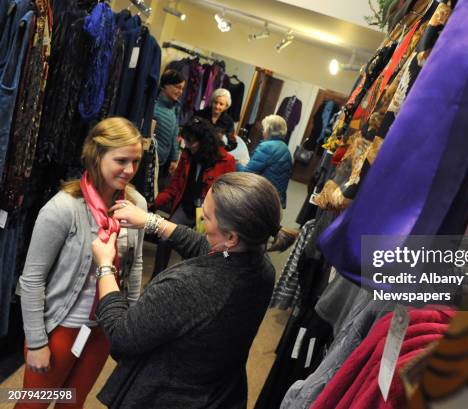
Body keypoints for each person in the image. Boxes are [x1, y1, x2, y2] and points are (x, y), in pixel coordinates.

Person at [91, 172, 280, 409]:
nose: (201, 219)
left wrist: (105, 267)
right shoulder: (260, 266)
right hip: (218, 393)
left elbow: (122, 335)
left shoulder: (186, 287)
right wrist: (153, 221)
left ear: (231, 237)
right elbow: (206, 247)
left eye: (207, 217)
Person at [16, 118, 147, 409]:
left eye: (135, 161)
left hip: (102, 329)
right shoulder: (63, 207)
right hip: (61, 328)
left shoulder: (136, 205)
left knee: (73, 403)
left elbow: (134, 266)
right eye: (121, 160)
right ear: (97, 155)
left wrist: (131, 324)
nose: (129, 170)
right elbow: (32, 280)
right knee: (32, 405)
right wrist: (37, 342)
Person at [152, 116, 236, 276]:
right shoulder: (187, 155)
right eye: (186, 141)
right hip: (186, 206)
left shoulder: (226, 160)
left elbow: (229, 196)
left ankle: (184, 283)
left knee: (194, 250)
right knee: (165, 238)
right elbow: (174, 186)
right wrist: (153, 203)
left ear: (204, 140)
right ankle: (156, 278)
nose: (188, 146)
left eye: (191, 142)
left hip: (205, 213)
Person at [238, 114, 292, 208]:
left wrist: (236, 163)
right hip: (276, 198)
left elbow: (247, 173)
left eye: (264, 129)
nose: (262, 132)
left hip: (264, 198)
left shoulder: (267, 147)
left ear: (269, 130)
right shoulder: (284, 147)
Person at [153, 69, 185, 189]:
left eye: (182, 88)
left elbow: (174, 135)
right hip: (151, 160)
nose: (180, 92)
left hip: (164, 164)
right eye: (178, 87)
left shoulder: (174, 107)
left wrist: (174, 158)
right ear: (166, 85)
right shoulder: (153, 105)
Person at [194, 88, 240, 152]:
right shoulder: (200, 114)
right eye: (215, 102)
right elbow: (188, 131)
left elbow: (233, 143)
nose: (217, 106)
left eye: (221, 104)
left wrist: (221, 151)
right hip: (195, 151)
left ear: (226, 106)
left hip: (213, 156)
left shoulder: (229, 122)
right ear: (212, 102)